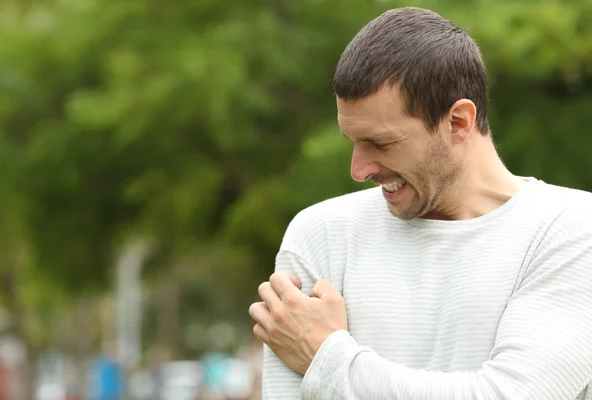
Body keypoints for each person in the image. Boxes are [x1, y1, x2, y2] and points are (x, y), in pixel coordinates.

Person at [248, 6, 592, 400]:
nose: (358, 170)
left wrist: (326, 358)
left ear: (459, 122)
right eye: (353, 140)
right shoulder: (322, 235)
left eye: (381, 143)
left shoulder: (573, 231)